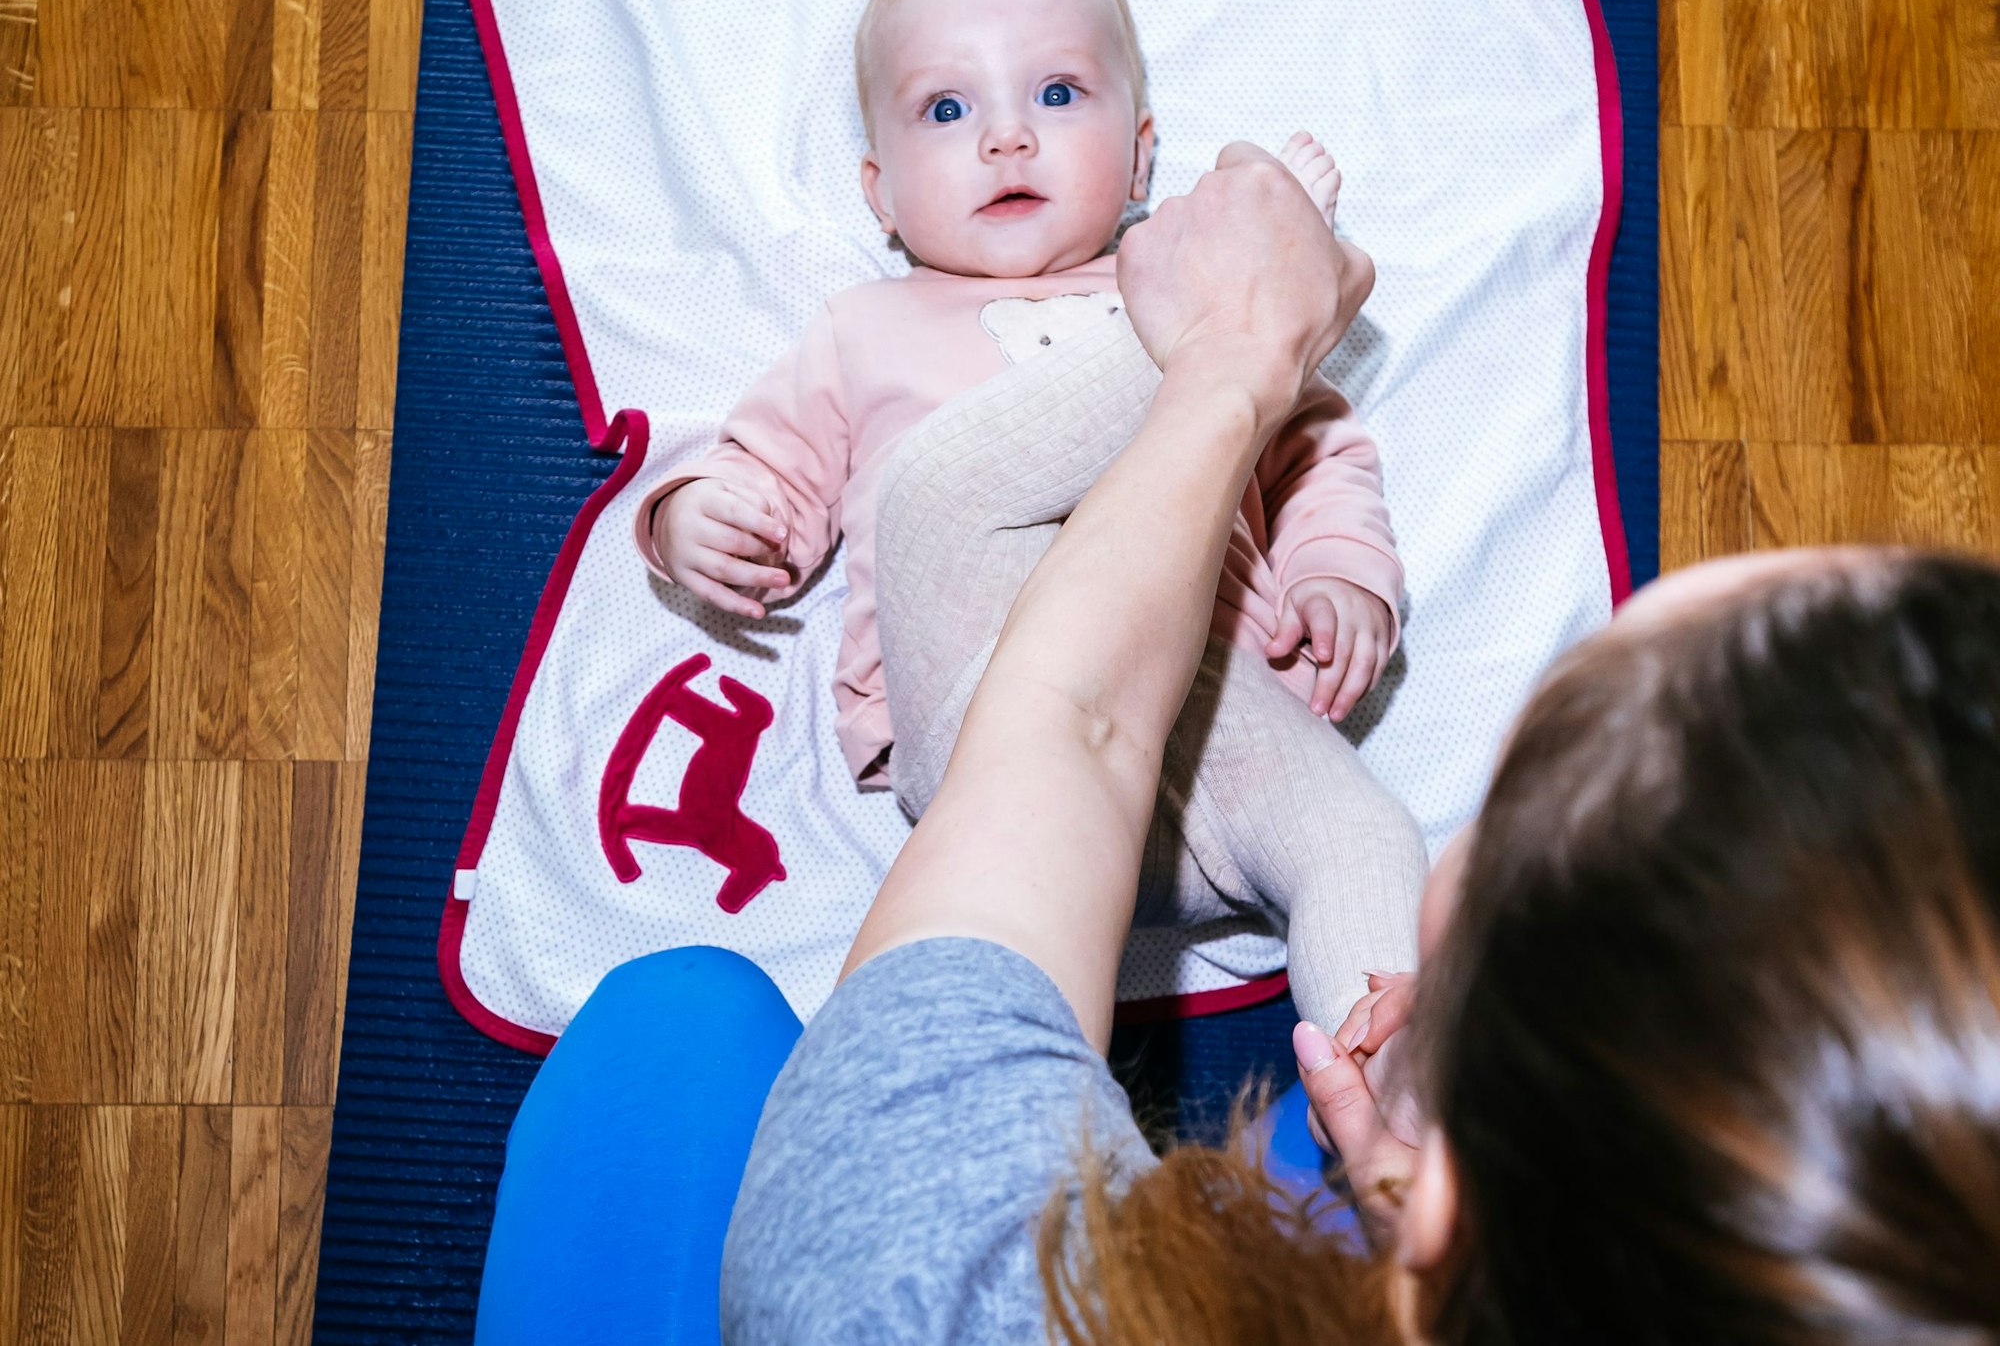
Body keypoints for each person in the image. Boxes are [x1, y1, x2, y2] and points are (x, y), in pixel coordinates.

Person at [718, 131, 2000, 1340]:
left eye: (1515, 801)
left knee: (679, 1031)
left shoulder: (934, 1287)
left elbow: (1071, 715)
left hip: (1106, 719)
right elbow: (772, 462)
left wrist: (1236, 357)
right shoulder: (868, 325)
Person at [633, 0, 1426, 1030]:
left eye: (1056, 95)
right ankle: (1267, 291)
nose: (1006, 138)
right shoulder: (866, 331)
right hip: (984, 724)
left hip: (1203, 717)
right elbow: (766, 469)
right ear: (879, 193)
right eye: (947, 111)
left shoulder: (1157, 278)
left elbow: (1315, 456)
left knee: (1366, 835)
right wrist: (698, 517)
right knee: (934, 481)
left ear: (1142, 153)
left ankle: (1384, 1081)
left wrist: (1341, 574)